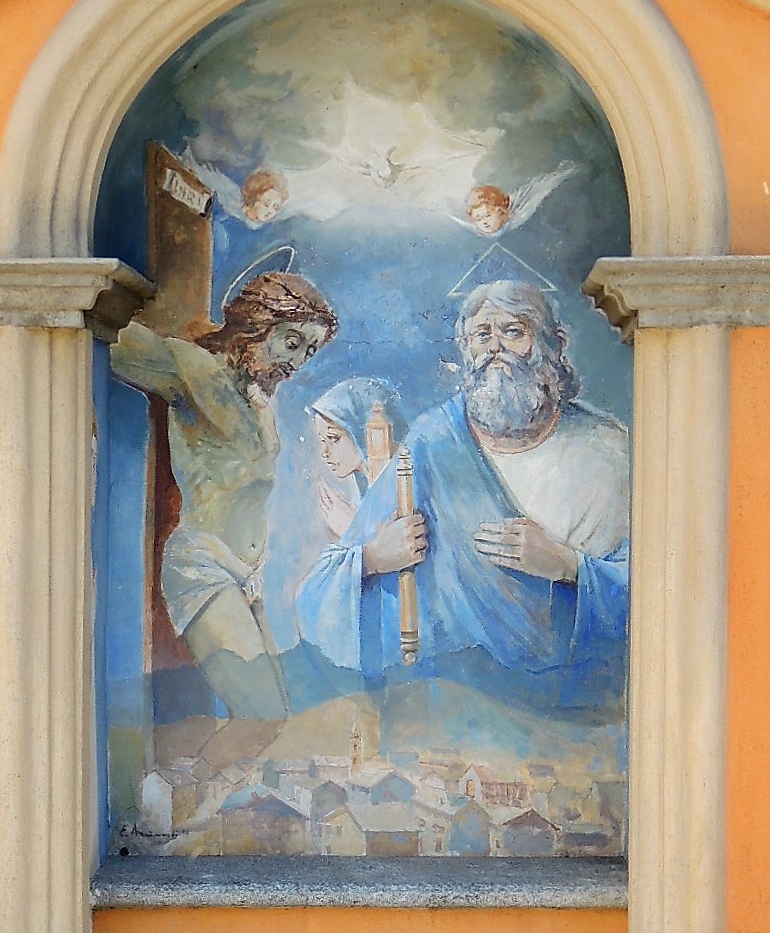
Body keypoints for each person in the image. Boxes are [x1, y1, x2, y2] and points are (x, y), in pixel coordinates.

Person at [295, 280, 628, 713]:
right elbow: (317, 597)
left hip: (573, 706)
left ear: (551, 345)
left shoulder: (608, 451)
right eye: (482, 335)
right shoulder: (432, 443)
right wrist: (373, 558)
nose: (495, 349)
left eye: (514, 332)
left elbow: (660, 592)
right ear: (466, 351)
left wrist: (569, 566)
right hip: (453, 702)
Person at [113, 270, 337, 718]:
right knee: (261, 718)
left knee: (274, 721)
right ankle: (181, 770)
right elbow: (115, 340)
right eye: (292, 342)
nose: (296, 362)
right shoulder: (195, 370)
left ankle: (189, 770)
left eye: (308, 351)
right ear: (256, 324)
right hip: (204, 565)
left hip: (247, 577)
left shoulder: (257, 403)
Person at [307, 377, 407, 541]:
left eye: (333, 438)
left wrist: (352, 530)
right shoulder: (364, 487)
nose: (324, 453)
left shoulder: (404, 482)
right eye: (322, 440)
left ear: (361, 434)